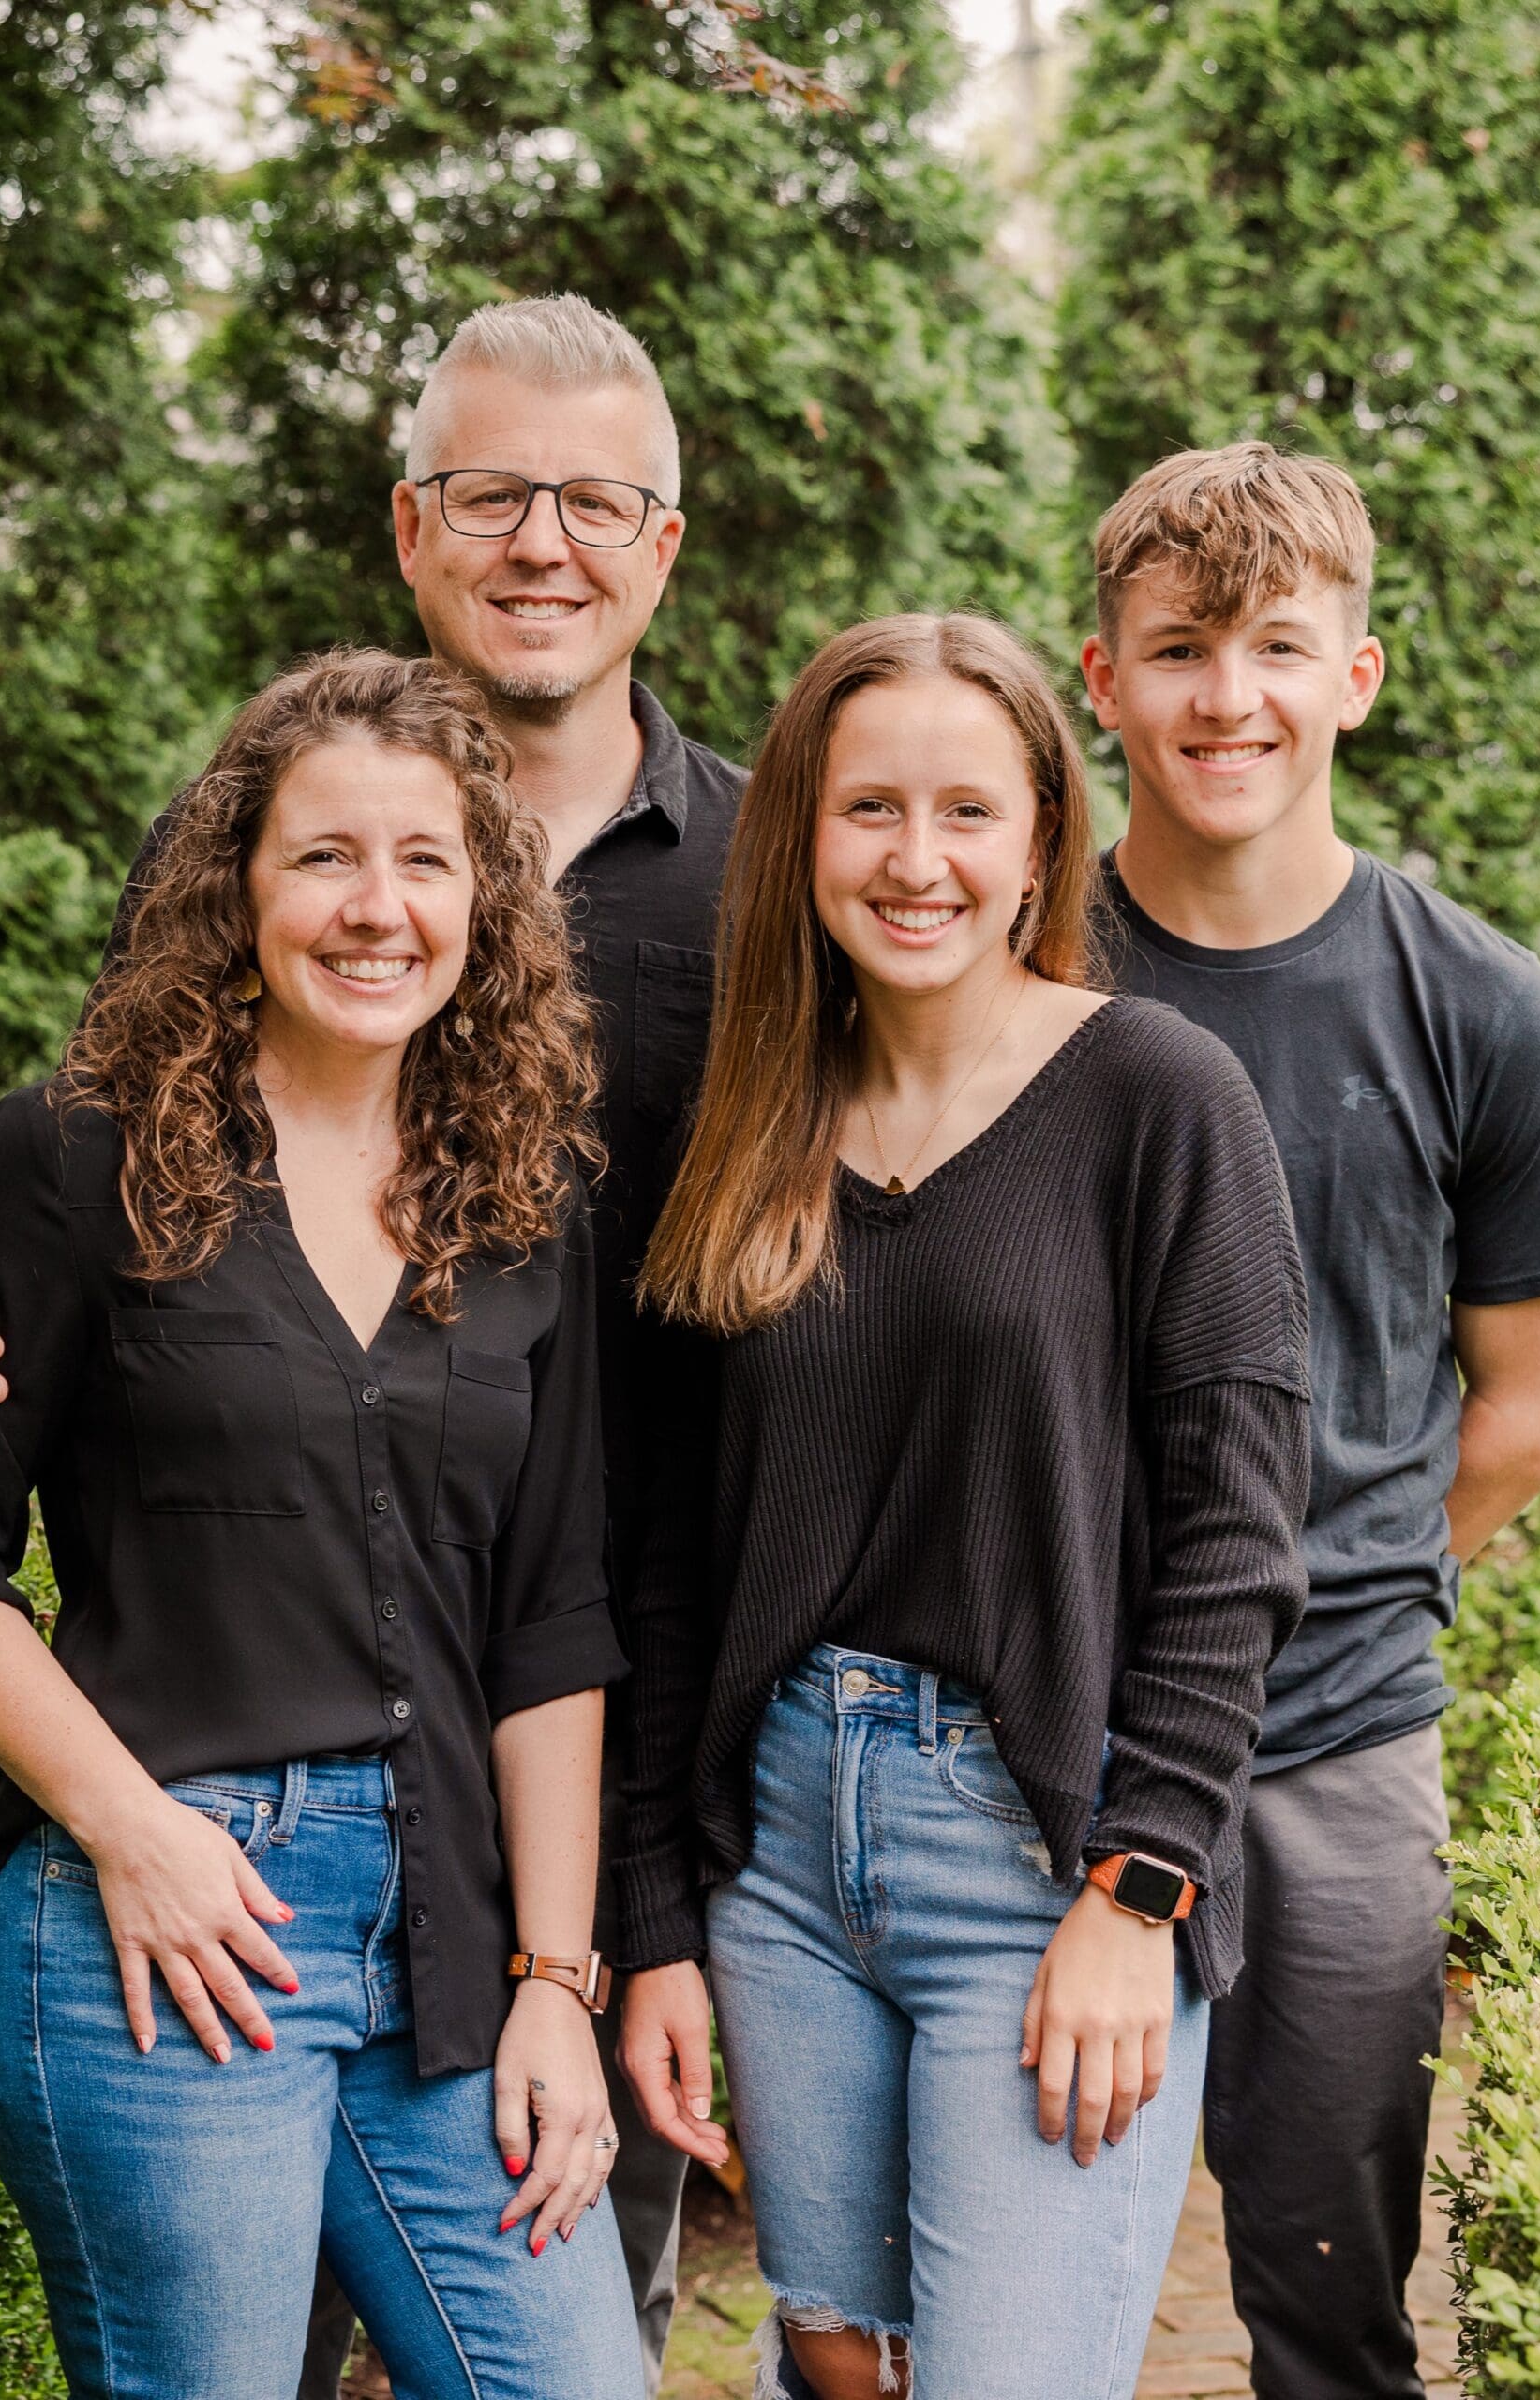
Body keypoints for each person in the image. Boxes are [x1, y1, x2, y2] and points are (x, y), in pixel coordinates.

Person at [0, 295, 737, 2398]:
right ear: (230, 882)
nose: (372, 901)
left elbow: (550, 1607)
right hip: (165, 1899)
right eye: (321, 855)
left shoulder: (521, 1179)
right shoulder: (90, 1153)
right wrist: (133, 1826)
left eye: (422, 861)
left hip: (467, 1901)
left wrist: (556, 1968)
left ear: (483, 904)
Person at [612, 613, 1314, 2400]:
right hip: (778, 1847)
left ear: (1038, 844)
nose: (916, 862)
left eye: (966, 814)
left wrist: (1137, 1890)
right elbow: (671, 1557)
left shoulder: (1160, 1100)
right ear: (801, 834)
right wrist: (661, 1921)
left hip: (1042, 1850)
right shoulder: (750, 1116)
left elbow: (1237, 1542)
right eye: (869, 811)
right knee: (841, 2363)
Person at [1082, 444, 1540, 2399]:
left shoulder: (1475, 1002)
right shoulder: (1010, 966)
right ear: (1099, 678)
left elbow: (1524, 1406)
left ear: (1356, 675)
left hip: (1335, 1750)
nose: (1227, 696)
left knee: (1326, 2302)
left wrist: (1313, 1595)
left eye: (1274, 646)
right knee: (1011, 2294)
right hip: (1039, 1735)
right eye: (1178, 648)